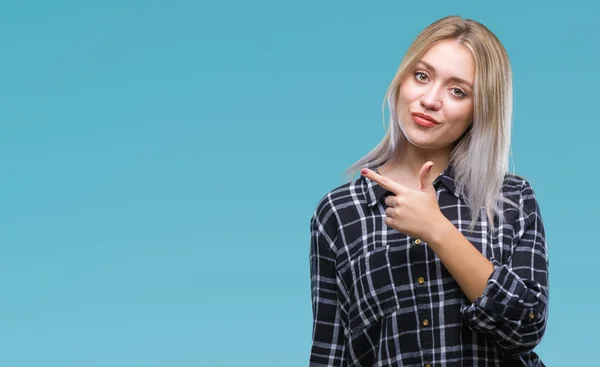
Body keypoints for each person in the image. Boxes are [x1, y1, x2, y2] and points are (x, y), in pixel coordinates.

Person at [308, 16, 549, 367]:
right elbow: (332, 353)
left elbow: (526, 326)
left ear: (479, 109)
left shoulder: (511, 199)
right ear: (402, 79)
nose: (430, 100)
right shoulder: (340, 213)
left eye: (458, 91)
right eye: (422, 76)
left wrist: (437, 229)